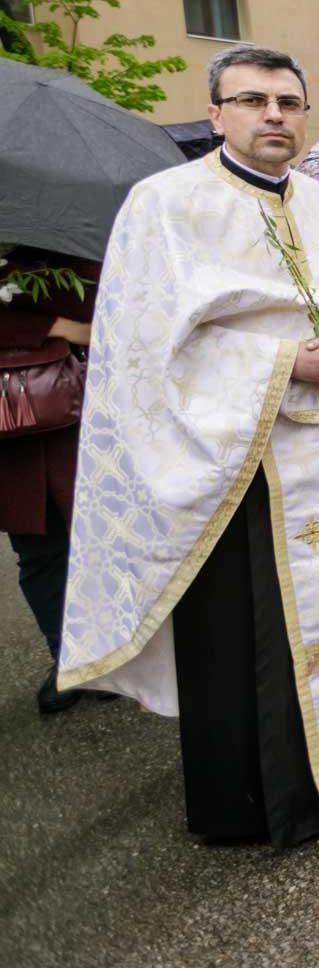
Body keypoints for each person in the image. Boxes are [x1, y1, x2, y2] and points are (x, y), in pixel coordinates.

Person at [59, 44, 319, 843]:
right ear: (215, 112)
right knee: (246, 632)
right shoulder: (166, 206)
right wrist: (283, 359)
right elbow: (145, 350)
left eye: (288, 103)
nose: (274, 116)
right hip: (236, 462)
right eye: (253, 101)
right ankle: (266, 801)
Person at [2, 245, 100, 713]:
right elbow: (75, 323)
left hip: (80, 413)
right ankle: (66, 659)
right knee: (38, 551)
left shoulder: (66, 242)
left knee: (99, 538)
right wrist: (48, 327)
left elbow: (100, 310)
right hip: (10, 431)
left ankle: (110, 657)